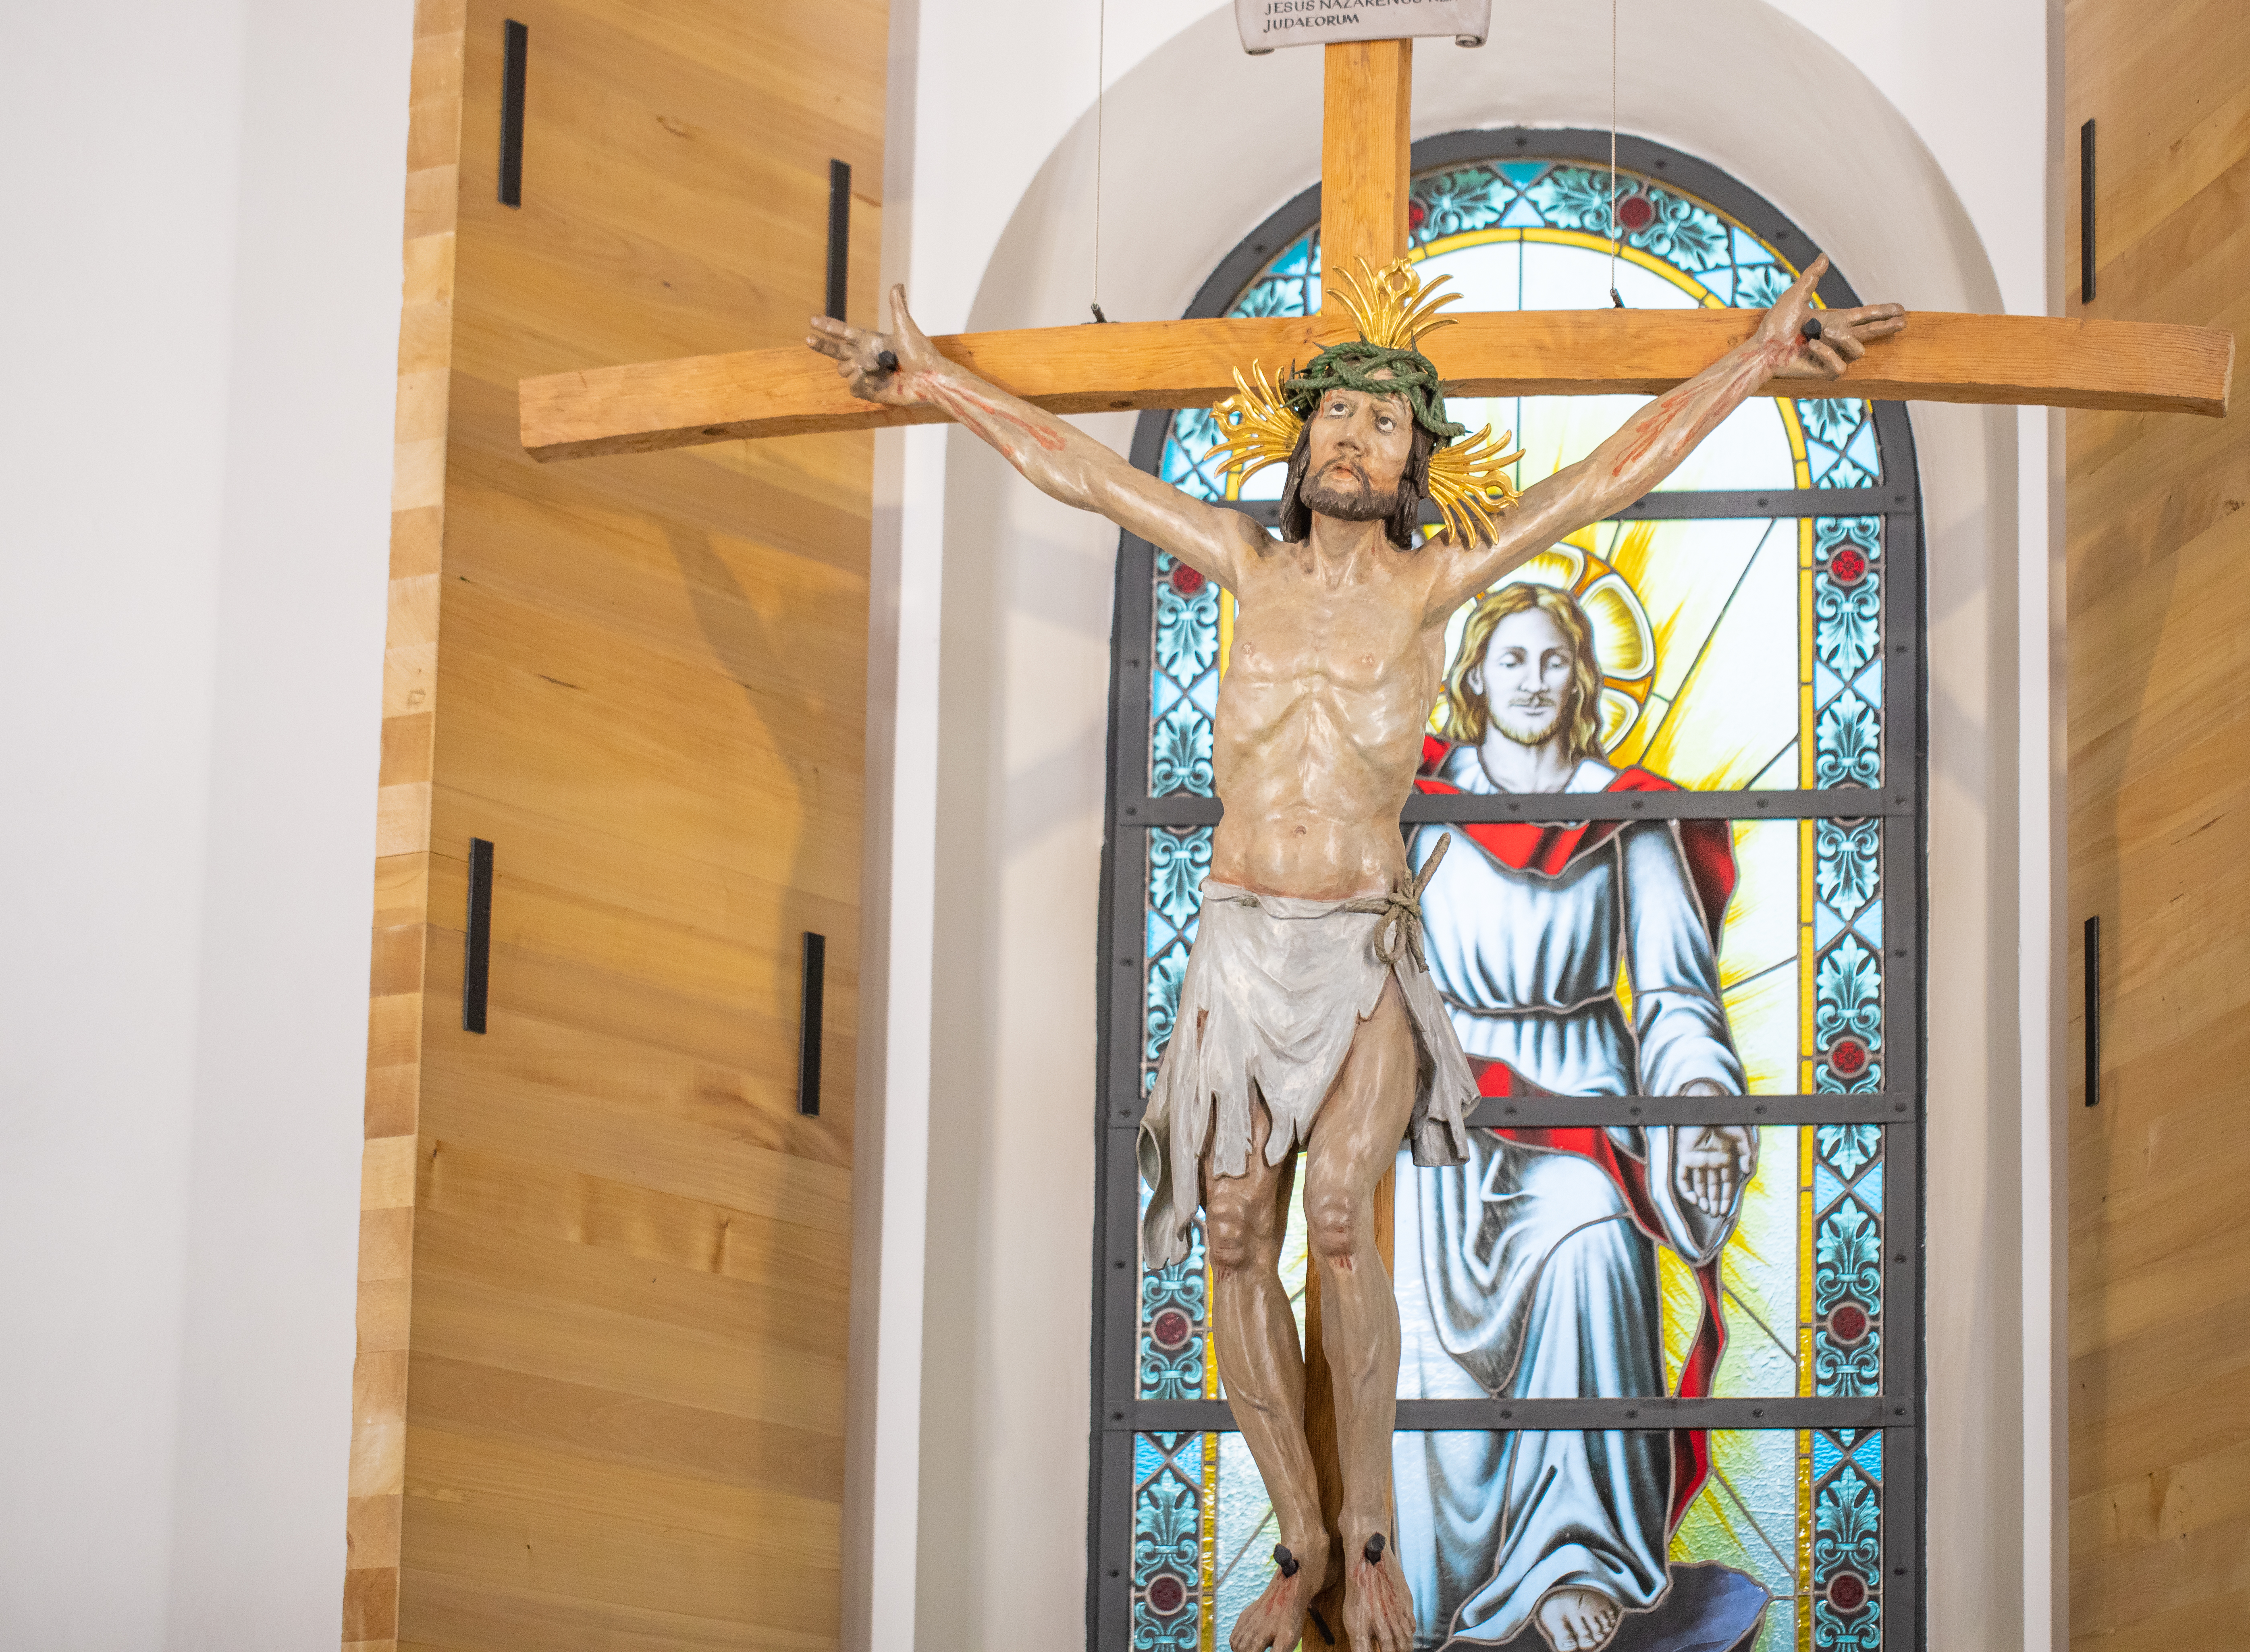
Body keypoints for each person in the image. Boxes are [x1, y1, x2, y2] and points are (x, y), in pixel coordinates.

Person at [806, 259, 1901, 1652]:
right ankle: (1302, 1545)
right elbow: (1080, 475)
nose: (1355, 439)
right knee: (1236, 1232)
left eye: (1388, 425)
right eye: (1337, 414)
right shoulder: (1237, 559)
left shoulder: (1440, 582)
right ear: (1300, 436)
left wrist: (1756, 361)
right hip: (1241, 943)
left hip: (1368, 945)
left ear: (1414, 462)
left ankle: (1375, 1534)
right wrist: (935, 379)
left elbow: (1606, 481)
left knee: (1339, 1216)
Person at [1395, 582, 1752, 1652]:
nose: (1534, 682)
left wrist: (1694, 1102)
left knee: (1596, 1235)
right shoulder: (1420, 806)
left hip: (1584, 1108)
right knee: (1401, 1274)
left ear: (1580, 678)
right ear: (1475, 678)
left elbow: (1681, 996)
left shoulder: (1624, 816)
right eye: (1512, 661)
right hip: (1445, 1110)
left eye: (1554, 662)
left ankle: (1575, 1557)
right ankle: (1415, 1571)